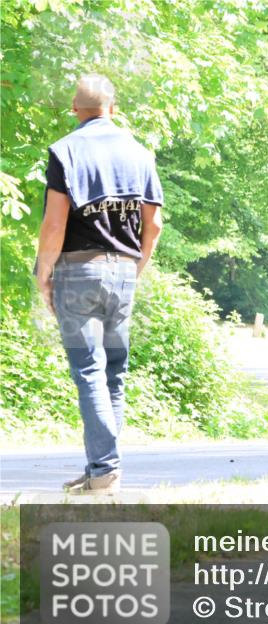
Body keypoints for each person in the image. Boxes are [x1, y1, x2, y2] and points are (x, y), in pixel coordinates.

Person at [34, 74, 164, 495]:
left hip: (78, 271)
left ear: (75, 109)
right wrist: (136, 267)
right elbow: (154, 224)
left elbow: (55, 225)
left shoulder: (65, 151)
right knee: (114, 373)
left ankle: (105, 470)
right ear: (113, 108)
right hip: (124, 271)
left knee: (89, 369)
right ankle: (99, 469)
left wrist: (43, 273)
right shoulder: (140, 153)